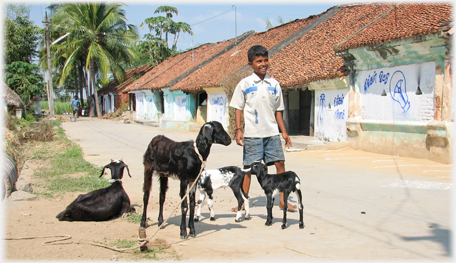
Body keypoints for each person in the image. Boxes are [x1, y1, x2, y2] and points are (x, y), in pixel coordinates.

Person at [229, 45, 297, 212]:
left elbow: (278, 112)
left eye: (266, 60)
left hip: (272, 134)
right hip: (252, 135)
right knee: (248, 170)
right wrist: (239, 129)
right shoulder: (244, 84)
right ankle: (243, 204)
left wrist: (284, 132)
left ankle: (282, 200)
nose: (263, 64)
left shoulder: (274, 84)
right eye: (259, 61)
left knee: (280, 164)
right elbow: (238, 108)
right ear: (250, 64)